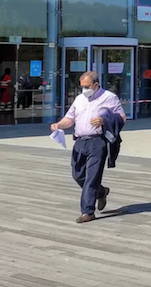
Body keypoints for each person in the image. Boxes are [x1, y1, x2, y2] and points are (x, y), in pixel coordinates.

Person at [49, 71, 125, 223]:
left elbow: (121, 117)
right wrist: (58, 125)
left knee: (92, 177)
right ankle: (101, 191)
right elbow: (70, 119)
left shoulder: (109, 97)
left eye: (87, 86)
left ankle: (87, 211)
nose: (84, 89)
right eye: (82, 86)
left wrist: (104, 120)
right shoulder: (79, 99)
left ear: (96, 85)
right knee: (77, 174)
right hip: (80, 141)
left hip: (98, 141)